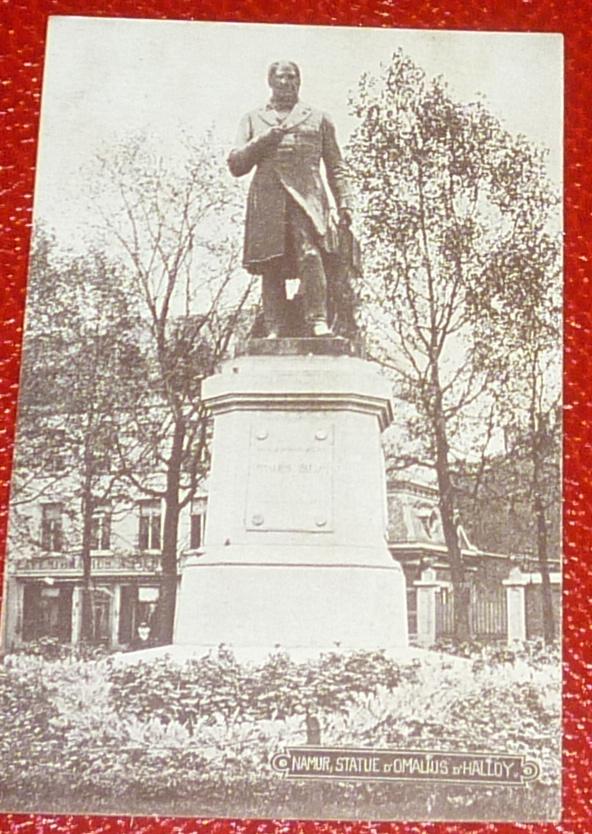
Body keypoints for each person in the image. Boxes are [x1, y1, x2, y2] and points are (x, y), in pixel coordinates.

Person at [228, 61, 353, 338]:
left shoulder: (318, 117)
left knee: (311, 255)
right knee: (270, 262)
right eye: (282, 77)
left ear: (300, 81)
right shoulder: (252, 119)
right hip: (268, 197)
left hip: (308, 197)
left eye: (293, 77)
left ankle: (317, 320)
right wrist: (262, 141)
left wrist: (345, 202)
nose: (288, 82)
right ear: (270, 81)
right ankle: (275, 327)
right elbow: (236, 164)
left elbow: (336, 166)